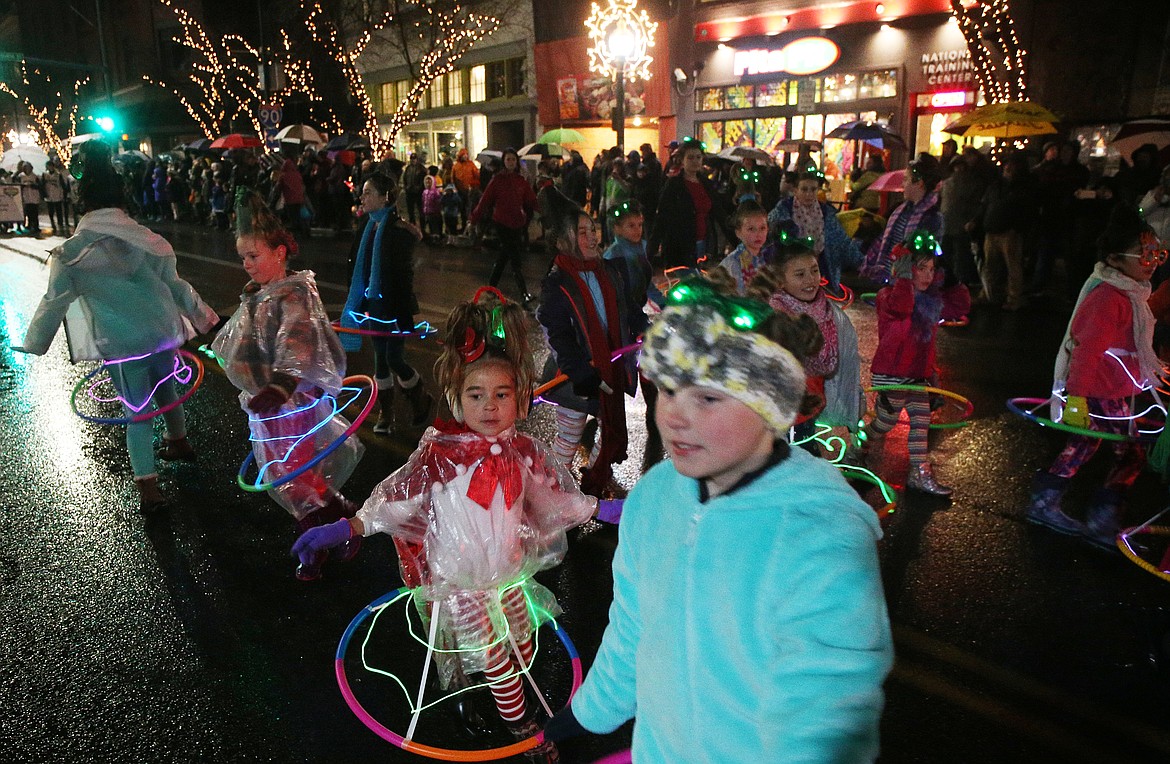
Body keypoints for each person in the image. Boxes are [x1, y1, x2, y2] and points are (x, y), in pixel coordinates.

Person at [543, 278, 893, 762]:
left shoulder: (820, 531)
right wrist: (588, 713)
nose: (675, 417)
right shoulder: (653, 499)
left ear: (772, 408)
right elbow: (633, 632)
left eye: (708, 398)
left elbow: (826, 711)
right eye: (667, 390)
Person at [293, 288, 600, 763]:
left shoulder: (522, 450)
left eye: (502, 394)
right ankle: (520, 728)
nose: (490, 406)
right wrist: (347, 527)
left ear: (520, 399)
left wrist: (603, 509)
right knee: (498, 660)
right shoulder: (441, 456)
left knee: (521, 643)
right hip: (460, 582)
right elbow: (394, 500)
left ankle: (483, 688)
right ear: (456, 397)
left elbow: (555, 498)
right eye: (476, 394)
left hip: (509, 574)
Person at [19, 140, 218, 511]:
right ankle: (179, 441)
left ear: (84, 202)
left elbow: (54, 303)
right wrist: (206, 319)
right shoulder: (150, 241)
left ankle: (148, 487)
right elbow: (176, 286)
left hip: (123, 343)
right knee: (167, 390)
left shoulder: (72, 254)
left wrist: (34, 343)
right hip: (160, 331)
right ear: (121, 199)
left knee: (136, 410)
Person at [210, 192, 365, 580]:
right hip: (265, 405)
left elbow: (297, 345)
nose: (246, 264)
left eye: (254, 256)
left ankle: (322, 540)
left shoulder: (293, 294)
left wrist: (277, 388)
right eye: (242, 256)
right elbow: (245, 339)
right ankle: (335, 519)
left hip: (289, 401)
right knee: (286, 474)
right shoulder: (257, 294)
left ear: (279, 253)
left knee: (291, 475)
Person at [1027, 206, 1164, 549]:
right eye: (1144, 254)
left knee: (1085, 447)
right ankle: (1098, 517)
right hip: (1100, 391)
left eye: (1157, 252)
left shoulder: (1132, 293)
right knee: (1124, 452)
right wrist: (1075, 397)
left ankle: (1055, 505)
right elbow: (1085, 351)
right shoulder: (1109, 297)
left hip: (1116, 391)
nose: (1152, 261)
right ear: (1116, 258)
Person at [537, 210, 649, 497]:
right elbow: (556, 331)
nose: (591, 237)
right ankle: (549, 496)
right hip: (575, 377)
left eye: (593, 229)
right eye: (582, 232)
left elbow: (629, 309)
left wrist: (644, 328)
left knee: (610, 433)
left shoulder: (610, 270)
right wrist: (577, 369)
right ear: (564, 241)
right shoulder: (558, 282)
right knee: (569, 440)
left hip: (610, 371)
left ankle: (593, 485)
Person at [868, 230, 971, 496]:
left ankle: (919, 473)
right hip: (891, 375)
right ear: (904, 270)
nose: (927, 274)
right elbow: (902, 306)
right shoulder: (887, 296)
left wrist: (951, 279)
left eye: (931, 269)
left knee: (921, 419)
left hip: (916, 376)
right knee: (885, 423)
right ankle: (861, 446)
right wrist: (903, 276)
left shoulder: (932, 301)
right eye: (920, 268)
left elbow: (960, 306)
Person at [752, 238, 864, 461]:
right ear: (781, 281)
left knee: (805, 448)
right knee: (793, 457)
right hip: (787, 405)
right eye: (800, 274)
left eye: (814, 271)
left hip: (812, 401)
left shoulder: (827, 310)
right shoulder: (777, 313)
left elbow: (839, 355)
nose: (811, 280)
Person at [341, 172, 434, 435]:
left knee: (393, 357)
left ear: (385, 198)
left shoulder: (398, 231)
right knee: (381, 360)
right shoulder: (365, 227)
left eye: (368, 192)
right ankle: (387, 411)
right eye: (363, 192)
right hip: (371, 306)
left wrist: (407, 314)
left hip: (392, 308)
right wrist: (356, 303)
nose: (362, 197)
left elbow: (404, 277)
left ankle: (419, 395)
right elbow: (355, 269)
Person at [768, 170, 862, 298]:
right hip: (791, 272)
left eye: (813, 189)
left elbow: (842, 241)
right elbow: (770, 238)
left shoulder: (827, 213)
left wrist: (862, 262)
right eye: (804, 189)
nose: (809, 194)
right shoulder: (782, 212)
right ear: (795, 190)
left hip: (822, 270)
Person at [470, 147, 538, 304]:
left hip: (517, 223)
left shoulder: (521, 181)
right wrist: (474, 219)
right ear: (504, 162)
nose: (511, 162)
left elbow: (531, 200)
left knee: (503, 257)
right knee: (515, 259)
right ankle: (524, 293)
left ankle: (490, 288)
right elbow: (485, 201)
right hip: (502, 223)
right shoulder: (497, 180)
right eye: (508, 159)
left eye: (513, 159)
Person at [972, 151, 1038, 311]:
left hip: (1010, 232)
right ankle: (988, 294)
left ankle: (1013, 298)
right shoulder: (996, 186)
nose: (1008, 167)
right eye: (1006, 164)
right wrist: (976, 221)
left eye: (1012, 164)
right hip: (992, 230)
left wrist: (1018, 228)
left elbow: (1028, 211)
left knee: (1013, 267)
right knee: (990, 265)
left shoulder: (1024, 187)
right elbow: (985, 205)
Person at [861, 158, 943, 284]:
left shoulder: (932, 217)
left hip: (912, 286)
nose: (902, 185)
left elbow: (928, 257)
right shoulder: (900, 210)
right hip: (891, 280)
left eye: (906, 179)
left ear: (919, 183)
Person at [647, 137, 718, 268]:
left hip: (703, 243)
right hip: (680, 245)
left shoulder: (706, 184)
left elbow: (717, 212)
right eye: (690, 158)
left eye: (698, 157)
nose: (695, 161)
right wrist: (652, 249)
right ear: (683, 160)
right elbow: (662, 216)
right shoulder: (674, 185)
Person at [717, 201, 775, 294]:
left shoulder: (769, 258)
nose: (758, 234)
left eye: (762, 228)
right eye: (751, 229)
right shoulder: (732, 263)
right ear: (738, 232)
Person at [451, 147, 480, 228]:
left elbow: (476, 176)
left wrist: (474, 185)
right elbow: (453, 178)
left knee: (469, 208)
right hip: (460, 191)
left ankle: (469, 225)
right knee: (462, 209)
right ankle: (464, 225)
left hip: (469, 190)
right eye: (464, 155)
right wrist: (455, 188)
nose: (465, 156)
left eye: (466, 155)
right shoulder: (456, 166)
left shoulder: (471, 164)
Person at [401, 153, 427, 226]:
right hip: (409, 191)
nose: (413, 160)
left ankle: (422, 225)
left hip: (418, 192)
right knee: (410, 210)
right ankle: (412, 224)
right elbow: (405, 178)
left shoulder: (421, 168)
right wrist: (406, 187)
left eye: (414, 159)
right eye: (412, 159)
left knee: (420, 209)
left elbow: (423, 179)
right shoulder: (408, 168)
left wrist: (420, 187)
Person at [422, 174, 443, 243]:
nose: (428, 183)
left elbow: (438, 203)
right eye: (426, 182)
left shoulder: (435, 192)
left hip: (434, 212)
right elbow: (424, 201)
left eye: (429, 182)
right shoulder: (425, 192)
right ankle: (432, 238)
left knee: (434, 226)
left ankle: (436, 239)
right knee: (430, 226)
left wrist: (437, 211)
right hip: (427, 212)